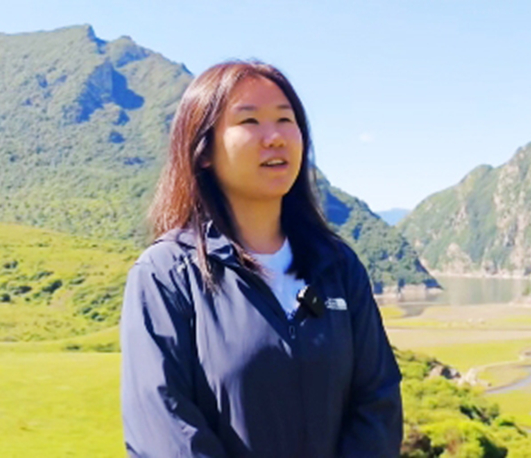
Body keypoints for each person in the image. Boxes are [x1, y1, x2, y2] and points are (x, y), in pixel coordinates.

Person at [119, 60, 403, 458]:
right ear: (203, 151)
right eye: (249, 121)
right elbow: (165, 429)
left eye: (286, 120)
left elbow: (378, 402)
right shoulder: (166, 274)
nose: (275, 137)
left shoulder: (338, 266)